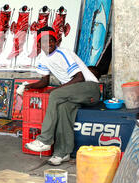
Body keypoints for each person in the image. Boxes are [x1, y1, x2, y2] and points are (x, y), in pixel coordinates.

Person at [19, 26, 100, 166]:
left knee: (55, 95)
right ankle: (63, 153)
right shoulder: (43, 58)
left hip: (90, 89)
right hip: (75, 93)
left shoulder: (63, 53)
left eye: (51, 40)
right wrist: (27, 86)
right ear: (38, 44)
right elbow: (44, 81)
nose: (48, 44)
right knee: (63, 109)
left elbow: (79, 77)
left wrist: (57, 91)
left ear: (56, 41)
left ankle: (44, 140)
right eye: (44, 42)